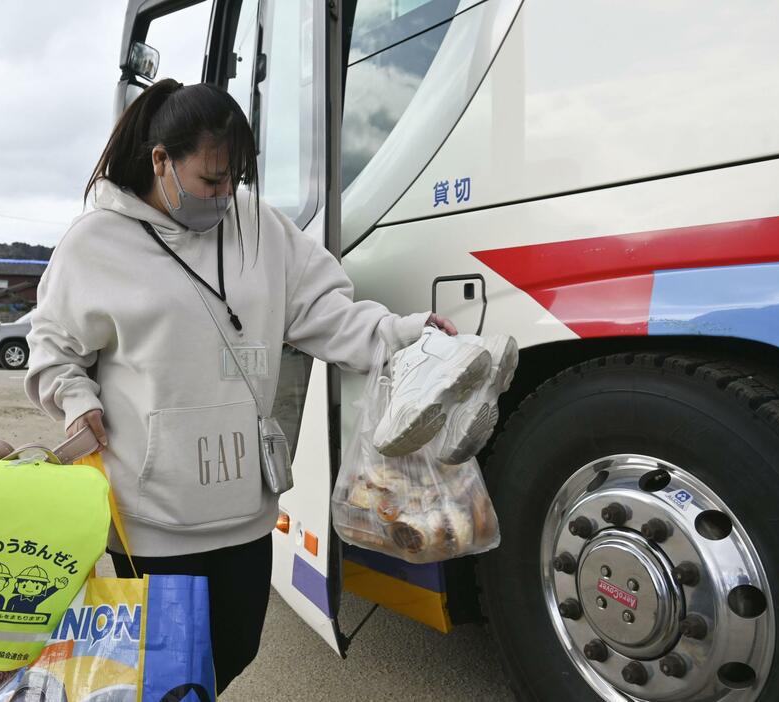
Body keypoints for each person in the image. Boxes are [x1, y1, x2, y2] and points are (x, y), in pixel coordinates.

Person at [24, 78, 457, 695]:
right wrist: (75, 400)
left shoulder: (260, 226)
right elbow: (52, 351)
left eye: (236, 178)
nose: (225, 194)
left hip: (245, 507)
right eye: (210, 179)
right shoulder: (95, 244)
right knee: (165, 675)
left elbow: (324, 312)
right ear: (161, 161)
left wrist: (403, 333)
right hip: (152, 514)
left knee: (236, 647)